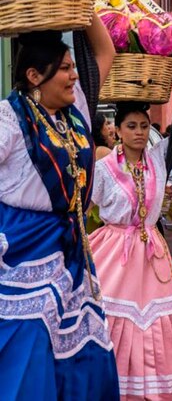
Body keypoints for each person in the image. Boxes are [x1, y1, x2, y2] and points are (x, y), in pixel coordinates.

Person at [0, 23, 120, 398]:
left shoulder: (74, 110)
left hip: (70, 248)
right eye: (65, 69)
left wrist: (86, 9)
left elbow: (106, 53)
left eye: (72, 66)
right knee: (31, 338)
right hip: (23, 249)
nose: (73, 75)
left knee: (83, 345)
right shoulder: (9, 117)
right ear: (34, 76)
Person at [90, 65, 172, 399]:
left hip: (151, 249)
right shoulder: (104, 169)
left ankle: (155, 386)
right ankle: (111, 384)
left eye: (144, 126)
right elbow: (83, 209)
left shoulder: (157, 160)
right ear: (118, 131)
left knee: (158, 317)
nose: (139, 132)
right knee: (112, 315)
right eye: (131, 126)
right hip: (114, 251)